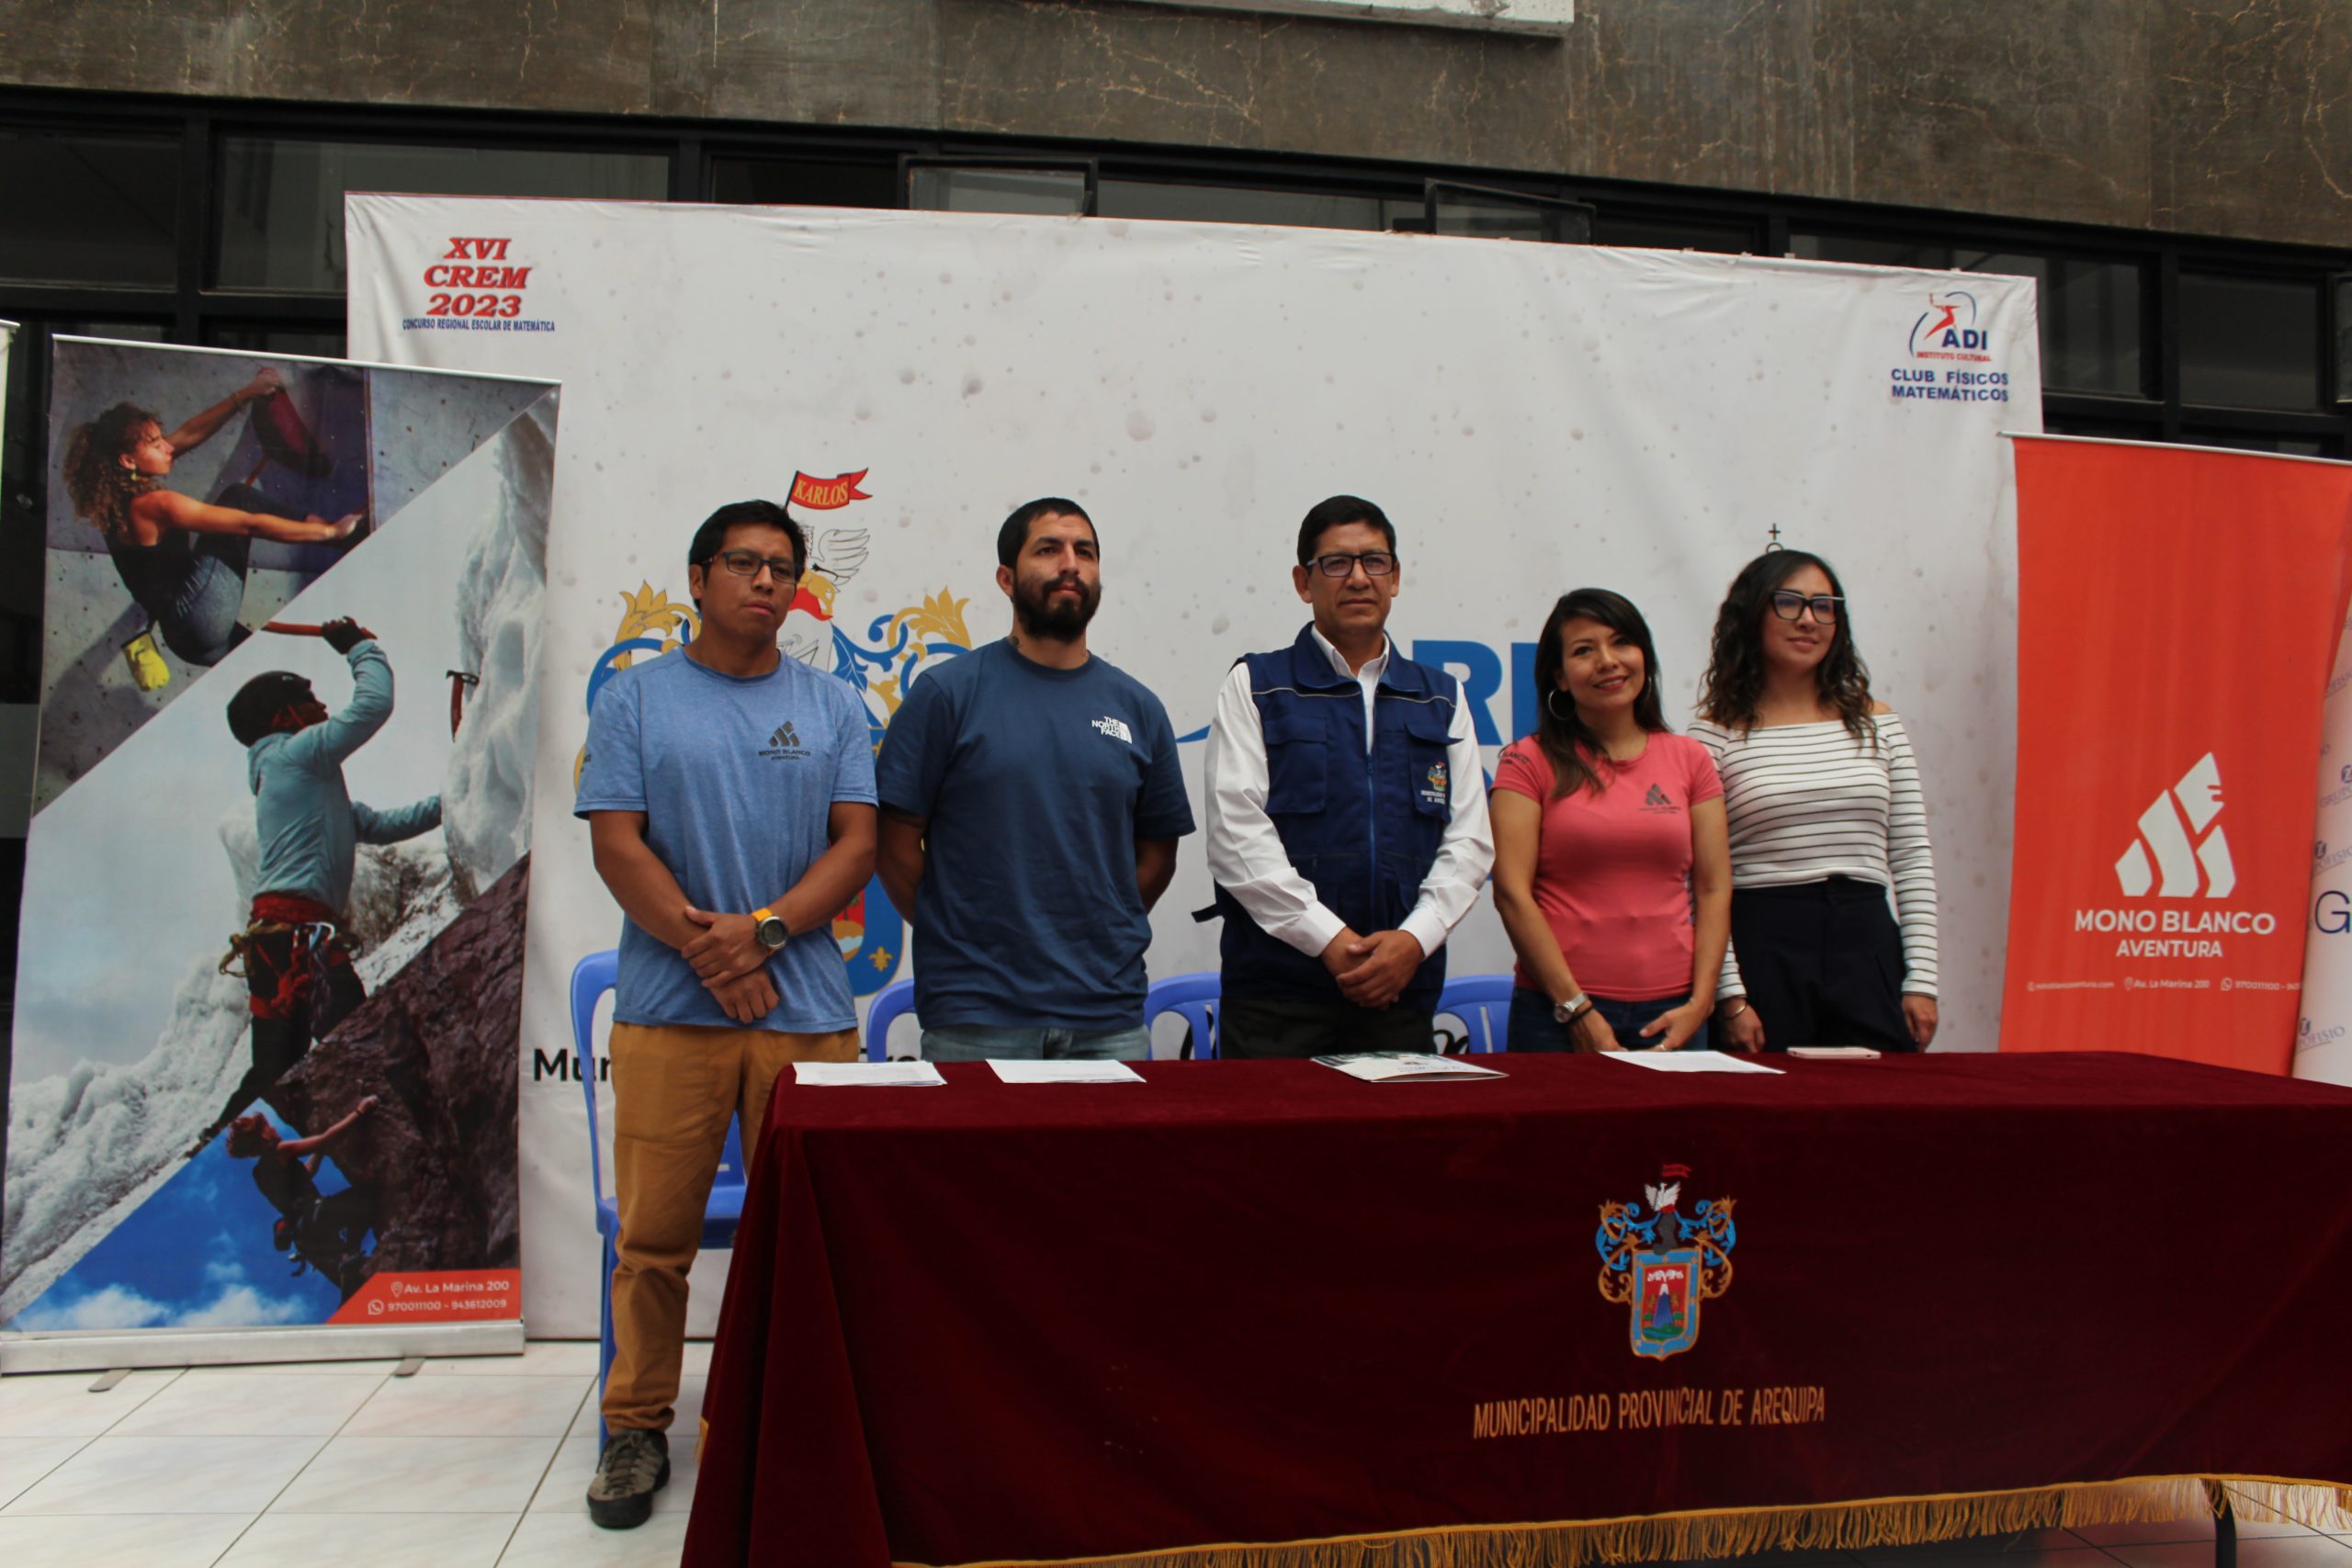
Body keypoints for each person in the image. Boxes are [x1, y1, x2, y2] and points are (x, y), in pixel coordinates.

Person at [575, 499, 877, 1529]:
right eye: (742, 564)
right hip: (672, 1014)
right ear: (697, 579)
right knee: (653, 1241)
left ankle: (798, 1416)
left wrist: (765, 936)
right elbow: (617, 844)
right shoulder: (638, 700)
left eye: (781, 568)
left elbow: (857, 846)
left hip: (807, 1017)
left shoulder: (835, 704)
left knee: (814, 1244)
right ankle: (636, 1427)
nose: (764, 581)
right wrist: (716, 956)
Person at [875, 498, 1193, 1062]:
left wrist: (1100, 927)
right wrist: (962, 935)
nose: (1070, 564)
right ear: (1006, 578)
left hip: (1107, 1018)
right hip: (976, 1018)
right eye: (1048, 549)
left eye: (1085, 552)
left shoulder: (1138, 707)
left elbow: (1156, 857)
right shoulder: (947, 695)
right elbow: (895, 846)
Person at [1202, 495, 1492, 1058]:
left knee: (1395, 1148)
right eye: (1336, 563)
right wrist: (1329, 940)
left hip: (1399, 992)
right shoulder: (1258, 685)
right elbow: (1236, 835)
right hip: (1277, 997)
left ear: (1397, 577)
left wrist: (1414, 941)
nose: (1358, 578)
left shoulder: (1440, 695)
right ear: (1302, 582)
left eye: (1374, 561)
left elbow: (1470, 842)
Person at [194, 617, 441, 1154]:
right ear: (285, 717)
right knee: (350, 1041)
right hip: (295, 941)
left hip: (285, 941)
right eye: (311, 700)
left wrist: (457, 797)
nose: (324, 709)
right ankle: (411, 1134)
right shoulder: (296, 755)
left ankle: (216, 1148)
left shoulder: (299, 780)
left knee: (281, 1063)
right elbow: (373, 705)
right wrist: (358, 647)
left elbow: (377, 825)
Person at [1690, 549, 1940, 1052]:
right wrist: (1730, 996)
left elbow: (1911, 856)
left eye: (1824, 605)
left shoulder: (1878, 723)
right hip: (1764, 941)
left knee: (1880, 1110)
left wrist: (1922, 981)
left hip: (1865, 938)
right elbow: (1702, 878)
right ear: (1752, 614)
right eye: (1789, 602)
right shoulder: (1713, 733)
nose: (1808, 619)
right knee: (1769, 1114)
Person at [1489, 590, 1730, 1052]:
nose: (1607, 661)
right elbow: (1512, 894)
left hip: (1675, 1014)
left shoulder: (1691, 760)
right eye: (1584, 650)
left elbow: (1714, 888)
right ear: (1559, 675)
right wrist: (1575, 1009)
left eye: (1622, 642)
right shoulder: (1527, 761)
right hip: (1556, 1016)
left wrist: (1701, 1003)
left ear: (1645, 655)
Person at [61, 368, 361, 667]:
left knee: (268, 668)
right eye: (156, 444)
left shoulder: (117, 501)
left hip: (185, 639)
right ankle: (348, 536)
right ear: (128, 461)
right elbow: (247, 523)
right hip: (197, 617)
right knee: (239, 499)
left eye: (161, 438)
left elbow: (188, 435)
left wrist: (249, 392)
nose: (168, 446)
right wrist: (330, 532)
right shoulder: (154, 505)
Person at [225, 1096, 383, 1302]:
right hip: (319, 1217)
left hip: (306, 1237)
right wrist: (361, 1112)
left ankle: (347, 1259)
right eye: (270, 1126)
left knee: (356, 1289)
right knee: (369, 1196)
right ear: (264, 1134)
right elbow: (326, 1139)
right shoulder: (281, 1150)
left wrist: (319, 1153)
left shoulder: (260, 1174)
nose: (274, 1129)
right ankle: (350, 1252)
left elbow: (304, 1176)